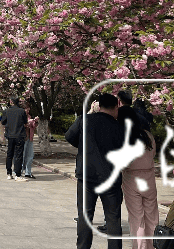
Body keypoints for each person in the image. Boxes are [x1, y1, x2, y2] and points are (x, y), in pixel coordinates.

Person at [65, 93, 124, 249]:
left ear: (99, 106)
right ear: (116, 106)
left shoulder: (85, 120)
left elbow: (69, 136)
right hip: (111, 178)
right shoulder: (119, 126)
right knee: (113, 219)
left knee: (85, 217)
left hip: (87, 176)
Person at [118, 107, 157, 249]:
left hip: (131, 179)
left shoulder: (125, 137)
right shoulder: (148, 135)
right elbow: (153, 155)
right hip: (149, 178)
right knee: (152, 217)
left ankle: (139, 247)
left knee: (136, 218)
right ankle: (154, 246)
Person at [1, 96, 27, 181]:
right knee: (18, 155)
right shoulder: (22, 111)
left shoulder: (7, 111)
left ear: (11, 102)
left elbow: (3, 122)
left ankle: (9, 173)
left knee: (9, 154)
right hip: (19, 135)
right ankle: (18, 174)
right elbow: (25, 122)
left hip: (10, 135)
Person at [22, 102, 39, 179]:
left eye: (28, 108)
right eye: (26, 108)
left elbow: (33, 126)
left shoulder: (29, 116)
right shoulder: (21, 116)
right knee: (22, 155)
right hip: (23, 138)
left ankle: (28, 172)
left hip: (30, 138)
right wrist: (25, 124)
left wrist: (35, 121)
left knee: (30, 156)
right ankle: (19, 171)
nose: (27, 110)